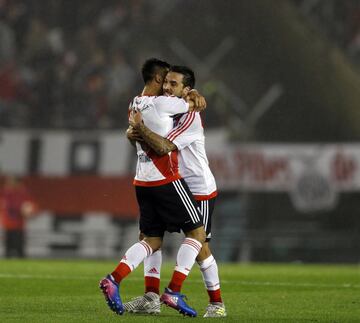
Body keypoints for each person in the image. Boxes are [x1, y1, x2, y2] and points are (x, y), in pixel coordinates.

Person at [99, 58, 207, 317]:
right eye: (166, 81)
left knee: (151, 241)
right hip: (165, 180)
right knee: (197, 235)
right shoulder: (162, 103)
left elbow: (136, 137)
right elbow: (194, 104)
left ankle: (114, 279)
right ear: (158, 80)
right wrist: (193, 95)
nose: (168, 87)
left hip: (142, 180)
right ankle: (173, 291)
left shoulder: (133, 103)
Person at [125, 66, 226, 318]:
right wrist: (133, 132)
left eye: (173, 84)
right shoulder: (170, 108)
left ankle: (216, 304)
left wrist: (139, 130)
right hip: (172, 184)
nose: (167, 88)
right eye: (166, 82)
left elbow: (163, 146)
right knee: (149, 235)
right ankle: (151, 297)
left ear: (186, 90)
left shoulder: (190, 117)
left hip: (197, 187)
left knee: (200, 246)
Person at [0, 175, 37, 258]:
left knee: (20, 248)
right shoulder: (4, 193)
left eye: (13, 182)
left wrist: (29, 211)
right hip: (7, 224)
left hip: (19, 225)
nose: (10, 184)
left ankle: (21, 263)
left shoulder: (23, 194)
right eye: (9, 182)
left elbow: (31, 207)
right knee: (8, 248)